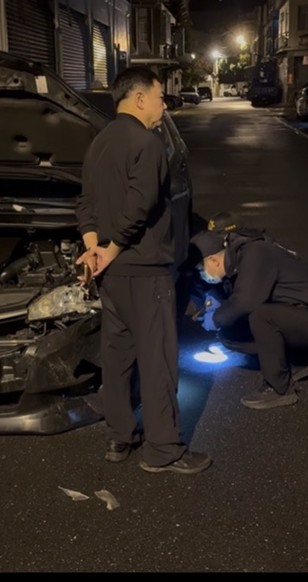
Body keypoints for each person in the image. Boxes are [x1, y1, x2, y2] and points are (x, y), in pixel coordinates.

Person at [74, 66, 211, 475]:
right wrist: (112, 248)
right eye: (158, 96)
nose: (163, 104)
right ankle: (163, 449)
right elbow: (141, 205)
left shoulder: (98, 142)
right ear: (138, 99)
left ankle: (120, 436)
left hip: (111, 276)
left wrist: (93, 247)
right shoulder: (148, 143)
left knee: (117, 356)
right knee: (158, 360)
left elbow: (85, 204)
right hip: (145, 268)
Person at [190, 212, 308, 410]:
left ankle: (279, 387)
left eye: (202, 270)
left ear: (214, 260)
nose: (203, 275)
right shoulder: (239, 255)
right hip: (302, 317)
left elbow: (244, 301)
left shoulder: (256, 253)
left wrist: (217, 318)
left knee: (261, 316)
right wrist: (215, 301)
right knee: (230, 334)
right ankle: (300, 359)